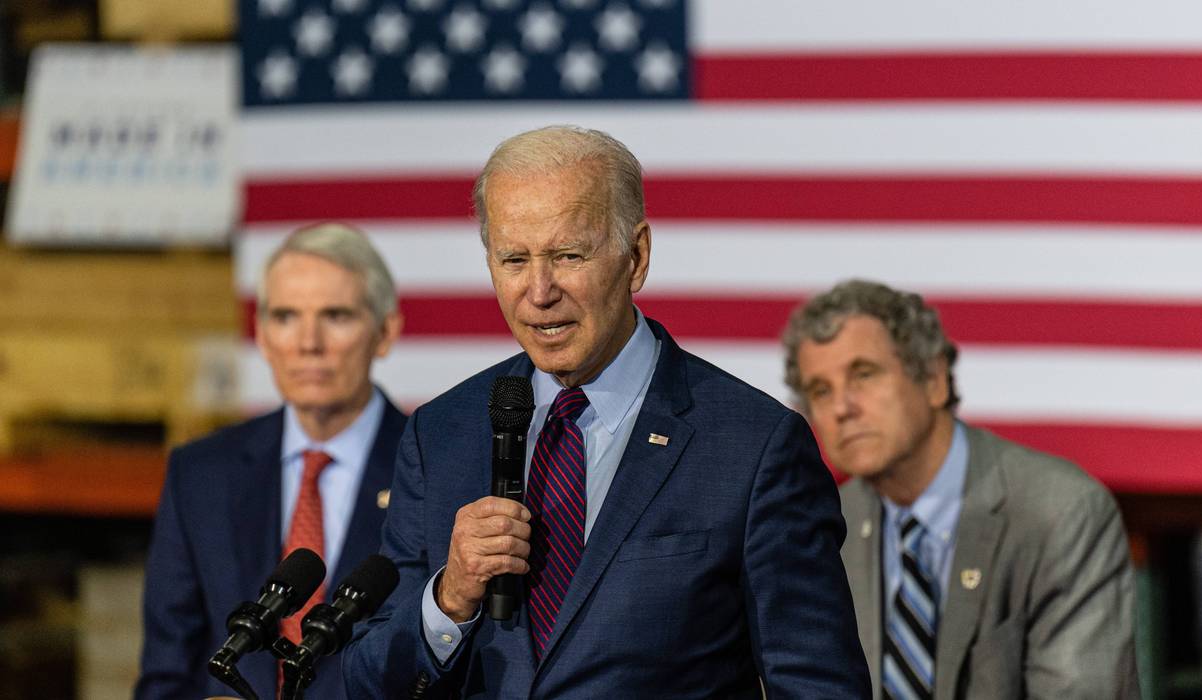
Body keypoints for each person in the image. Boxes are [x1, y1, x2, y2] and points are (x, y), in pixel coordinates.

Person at [343, 125, 869, 698]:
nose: (539, 292)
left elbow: (819, 686)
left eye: (568, 255)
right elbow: (371, 682)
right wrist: (449, 600)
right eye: (514, 259)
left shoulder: (754, 445)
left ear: (636, 257)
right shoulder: (442, 433)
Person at [783, 279, 1138, 699]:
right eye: (821, 391)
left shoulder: (1060, 512)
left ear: (934, 379)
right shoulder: (823, 530)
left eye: (864, 374)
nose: (842, 408)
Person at [136, 223, 407, 700]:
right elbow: (167, 673)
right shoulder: (200, 475)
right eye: (285, 316)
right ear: (261, 336)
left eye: (336, 315)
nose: (308, 342)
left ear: (385, 332)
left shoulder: (434, 467)